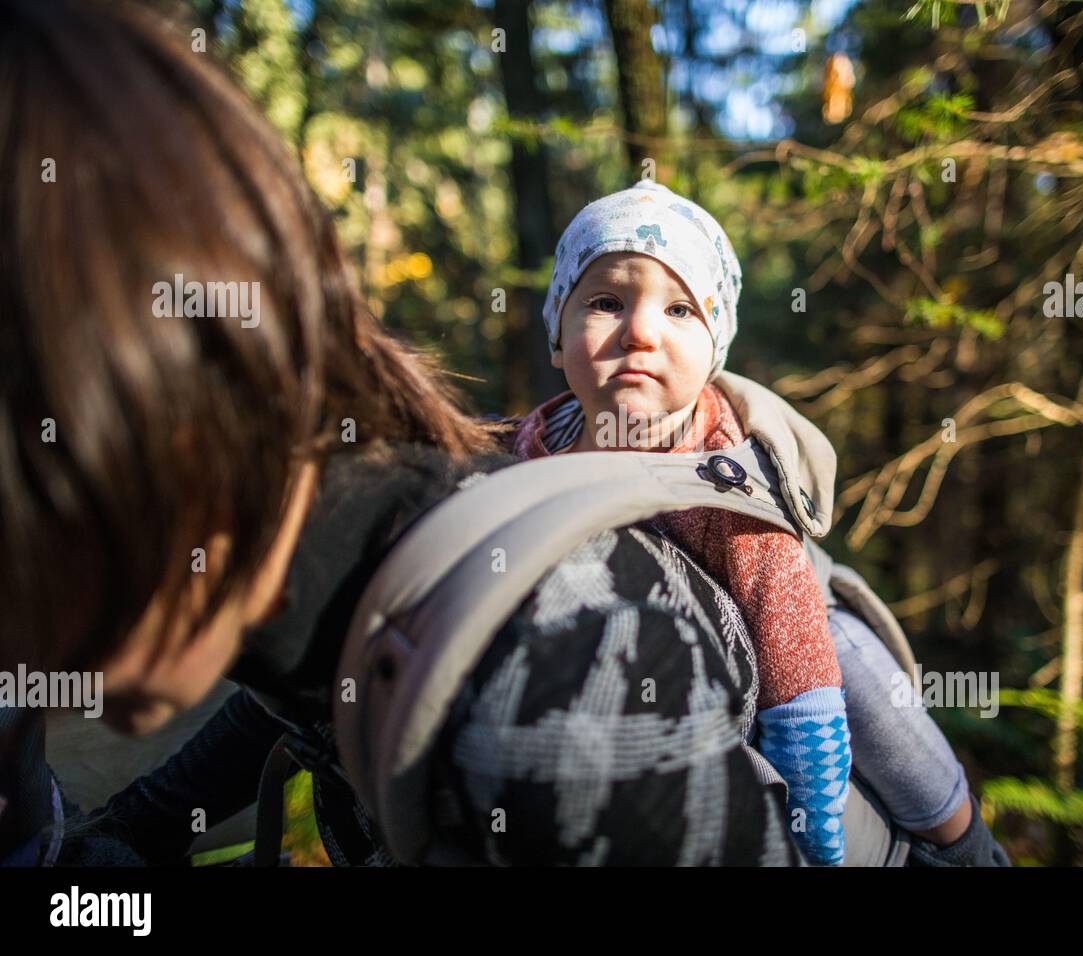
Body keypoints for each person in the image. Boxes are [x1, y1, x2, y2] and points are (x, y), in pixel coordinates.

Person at [0, 0, 802, 866]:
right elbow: (282, 696)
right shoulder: (336, 550)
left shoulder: (567, 695)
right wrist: (123, 837)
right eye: (604, 302)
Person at [509, 180, 996, 863]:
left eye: (680, 309)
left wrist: (816, 826)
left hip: (798, 625)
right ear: (559, 334)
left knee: (876, 707)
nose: (641, 330)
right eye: (605, 302)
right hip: (672, 656)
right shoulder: (526, 450)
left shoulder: (727, 485)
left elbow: (799, 675)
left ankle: (966, 844)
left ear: (714, 353)